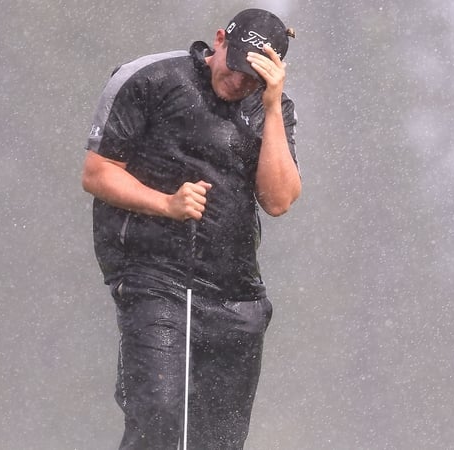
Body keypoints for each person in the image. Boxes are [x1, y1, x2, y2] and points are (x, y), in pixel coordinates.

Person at [81, 8, 300, 449]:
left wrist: (273, 104)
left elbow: (278, 200)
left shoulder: (272, 109)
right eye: (235, 68)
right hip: (155, 280)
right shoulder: (151, 79)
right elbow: (97, 173)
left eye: (253, 79)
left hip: (237, 298)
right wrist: (165, 203)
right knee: (159, 422)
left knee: (217, 442)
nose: (238, 83)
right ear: (220, 41)